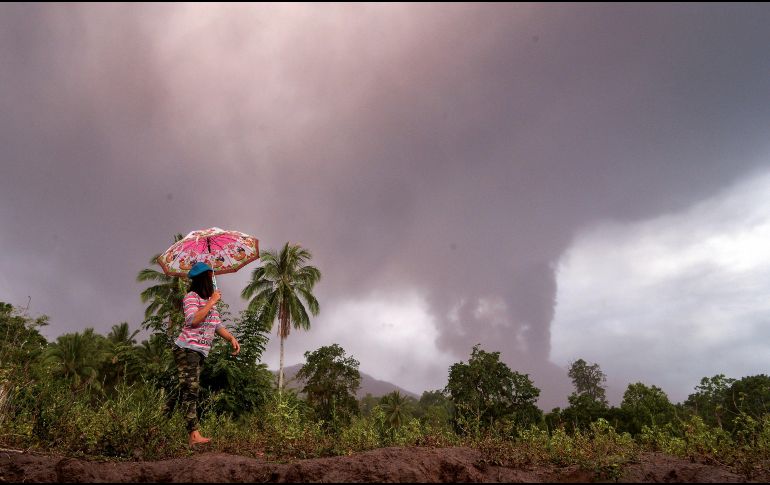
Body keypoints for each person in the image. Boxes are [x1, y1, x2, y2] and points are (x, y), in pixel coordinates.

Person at [173, 261, 240, 446]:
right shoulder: (191, 297)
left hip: (199, 352)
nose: (213, 280)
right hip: (187, 349)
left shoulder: (210, 302)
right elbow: (193, 320)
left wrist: (231, 338)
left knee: (188, 388)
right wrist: (211, 302)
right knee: (190, 389)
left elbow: (217, 325)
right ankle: (193, 435)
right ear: (203, 279)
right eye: (210, 277)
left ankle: (167, 425)